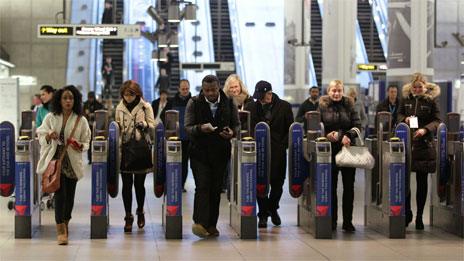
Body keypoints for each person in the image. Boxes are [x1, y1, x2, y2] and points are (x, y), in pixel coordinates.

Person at [184, 75, 239, 238]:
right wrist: (201, 128)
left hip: (220, 152)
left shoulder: (229, 102)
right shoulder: (194, 102)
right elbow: (188, 127)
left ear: (219, 87)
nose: (210, 93)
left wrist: (232, 133)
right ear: (202, 89)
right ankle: (199, 223)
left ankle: (211, 225)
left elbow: (236, 124)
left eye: (213, 90)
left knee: (216, 189)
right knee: (202, 185)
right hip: (199, 153)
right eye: (206, 90)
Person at [36, 85, 91, 245]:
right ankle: (60, 229)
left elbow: (87, 140)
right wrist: (48, 135)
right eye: (65, 98)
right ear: (59, 100)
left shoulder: (81, 120)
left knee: (70, 197)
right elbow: (40, 133)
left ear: (75, 100)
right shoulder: (51, 117)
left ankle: (65, 223)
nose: (68, 101)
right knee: (60, 195)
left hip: (72, 163)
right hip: (56, 160)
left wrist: (79, 145)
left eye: (71, 98)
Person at [244, 80, 294, 228]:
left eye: (262, 96)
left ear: (270, 93)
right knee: (261, 184)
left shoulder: (284, 107)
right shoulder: (251, 107)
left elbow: (290, 129)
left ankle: (273, 208)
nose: (259, 99)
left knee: (277, 184)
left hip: (278, 152)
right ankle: (263, 215)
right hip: (259, 152)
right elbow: (249, 127)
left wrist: (282, 145)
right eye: (258, 96)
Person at [397, 73, 441, 230]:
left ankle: (420, 216)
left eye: (420, 87)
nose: (417, 89)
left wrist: (425, 130)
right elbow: (399, 115)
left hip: (423, 146)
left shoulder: (431, 102)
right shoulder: (405, 100)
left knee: (422, 182)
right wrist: (405, 119)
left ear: (425, 87)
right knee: (405, 182)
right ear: (411, 87)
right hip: (407, 145)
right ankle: (407, 213)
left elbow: (437, 121)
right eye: (414, 87)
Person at [318, 80, 361, 232]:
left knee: (349, 188)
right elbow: (316, 127)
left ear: (343, 91)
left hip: (348, 150)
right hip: (329, 152)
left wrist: (346, 135)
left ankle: (348, 222)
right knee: (331, 188)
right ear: (328, 92)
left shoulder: (350, 106)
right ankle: (332, 221)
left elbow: (358, 126)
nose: (336, 93)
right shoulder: (322, 107)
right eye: (333, 91)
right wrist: (325, 135)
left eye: (339, 90)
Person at [115, 80, 156, 233]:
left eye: (131, 95)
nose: (128, 98)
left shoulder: (146, 107)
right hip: (125, 149)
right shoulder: (119, 108)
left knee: (139, 184)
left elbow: (153, 128)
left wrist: (145, 125)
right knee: (126, 185)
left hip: (140, 148)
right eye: (125, 95)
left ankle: (140, 211)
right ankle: (128, 216)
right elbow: (117, 127)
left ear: (137, 94)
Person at [169, 79, 192, 191]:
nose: (185, 91)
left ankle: (181, 184)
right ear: (179, 89)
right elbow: (165, 116)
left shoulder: (194, 101)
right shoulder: (172, 101)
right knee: (174, 161)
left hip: (188, 138)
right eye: (183, 89)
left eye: (187, 88)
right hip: (175, 138)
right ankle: (173, 182)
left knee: (184, 163)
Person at [83, 91, 105, 164]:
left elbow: (102, 114)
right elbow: (82, 113)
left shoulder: (98, 105)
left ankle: (96, 157)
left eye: (92, 98)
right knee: (89, 141)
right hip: (88, 126)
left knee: (96, 141)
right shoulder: (86, 104)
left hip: (97, 127)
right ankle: (90, 158)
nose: (90, 100)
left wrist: (94, 115)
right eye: (89, 98)